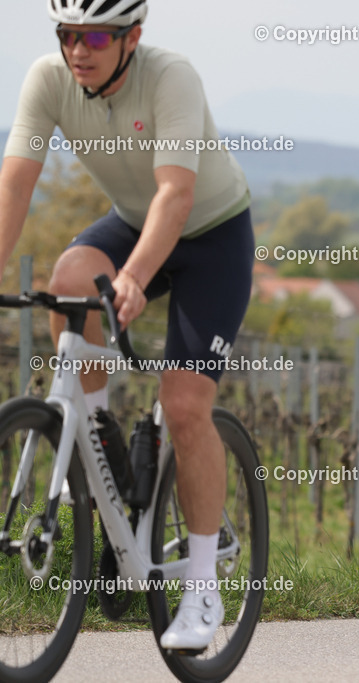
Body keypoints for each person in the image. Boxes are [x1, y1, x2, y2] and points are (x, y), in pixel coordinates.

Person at [1, 0, 254, 650]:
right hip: (132, 223)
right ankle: (98, 441)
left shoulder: (171, 76)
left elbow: (176, 195)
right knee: (68, 276)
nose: (76, 49)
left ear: (132, 37)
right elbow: (14, 187)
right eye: (66, 35)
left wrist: (136, 278)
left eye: (93, 36)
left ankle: (202, 587)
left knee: (185, 403)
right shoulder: (48, 79)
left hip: (210, 234)